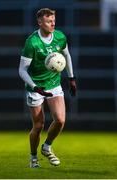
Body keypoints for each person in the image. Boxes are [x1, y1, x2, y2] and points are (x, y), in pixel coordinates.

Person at [19, 8, 76, 168]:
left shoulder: (59, 37)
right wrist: (35, 87)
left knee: (60, 120)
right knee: (38, 125)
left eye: (54, 20)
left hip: (54, 84)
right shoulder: (32, 42)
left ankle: (47, 147)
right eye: (49, 21)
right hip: (36, 86)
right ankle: (33, 157)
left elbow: (67, 55)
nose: (53, 23)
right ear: (39, 22)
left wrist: (72, 78)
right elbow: (22, 70)